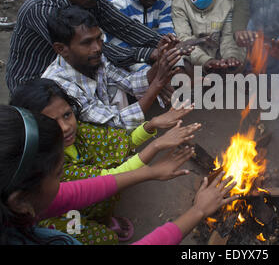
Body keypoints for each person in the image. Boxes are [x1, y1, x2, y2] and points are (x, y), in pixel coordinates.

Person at [0, 105, 238, 244]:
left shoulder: (14, 204)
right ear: (20, 201)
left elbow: (73, 194)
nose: (63, 181)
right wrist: (198, 211)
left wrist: (149, 172)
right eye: (59, 173)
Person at [10, 78, 201, 244]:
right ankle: (96, 224)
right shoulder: (47, 164)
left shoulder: (81, 133)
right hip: (60, 216)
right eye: (52, 122)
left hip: (71, 199)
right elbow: (110, 178)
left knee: (109, 188)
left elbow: (120, 144)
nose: (66, 127)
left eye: (67, 115)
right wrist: (155, 147)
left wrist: (151, 125)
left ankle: (103, 219)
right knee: (104, 238)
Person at [5, 0, 177, 94]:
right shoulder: (41, 9)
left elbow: (124, 26)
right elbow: (92, 51)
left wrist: (164, 43)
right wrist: (148, 54)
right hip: (33, 86)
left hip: (71, 74)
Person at [42, 5, 187, 130]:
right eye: (87, 43)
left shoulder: (93, 59)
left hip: (108, 140)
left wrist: (160, 62)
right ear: (61, 49)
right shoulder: (59, 86)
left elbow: (129, 82)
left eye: (99, 38)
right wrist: (158, 82)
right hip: (87, 152)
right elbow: (115, 125)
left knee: (117, 90)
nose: (98, 47)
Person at [172, 0, 246, 74]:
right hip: (193, 56)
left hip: (219, 55)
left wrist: (230, 56)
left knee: (241, 51)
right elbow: (184, 38)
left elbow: (228, 36)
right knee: (179, 60)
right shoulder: (180, 4)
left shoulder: (224, 5)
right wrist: (205, 61)